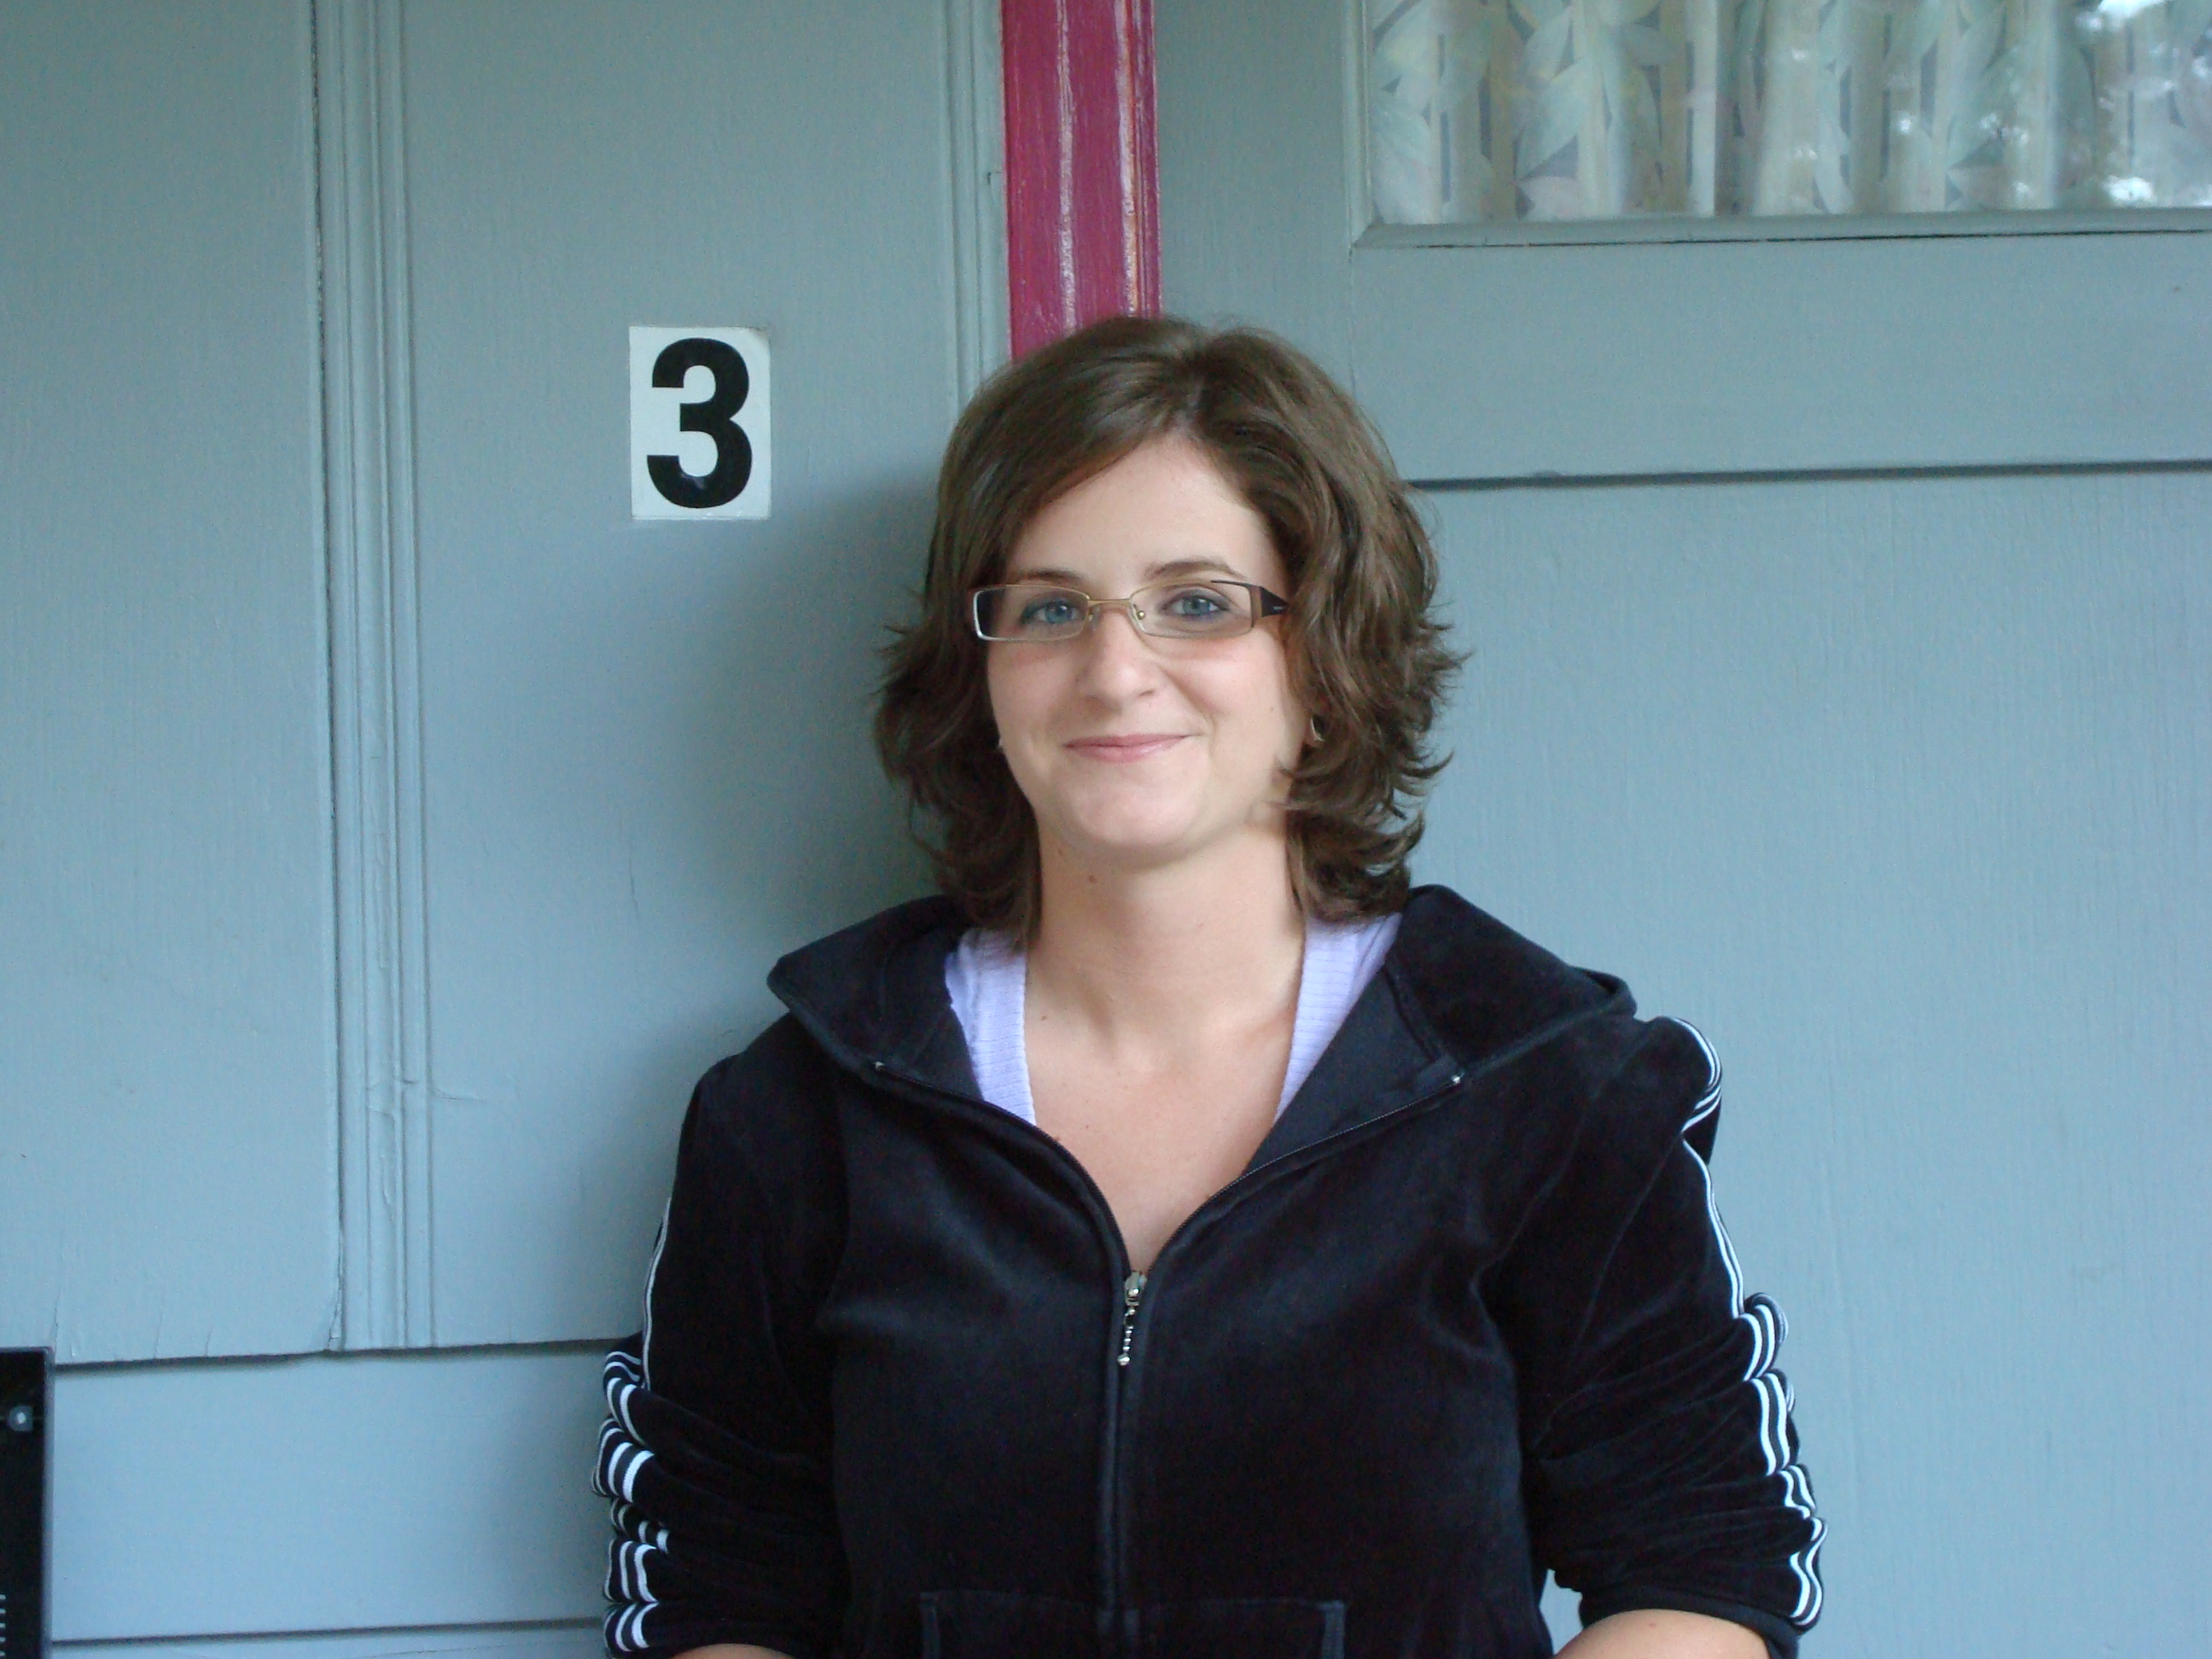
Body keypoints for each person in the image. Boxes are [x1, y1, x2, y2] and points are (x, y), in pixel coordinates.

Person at [592, 317, 1823, 1659]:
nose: (1115, 670)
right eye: (1050, 607)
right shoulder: (801, 1113)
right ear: (982, 674)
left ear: (1325, 661)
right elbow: (715, 1588)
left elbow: (1706, 1568)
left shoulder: (1549, 1089)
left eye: (1197, 603)